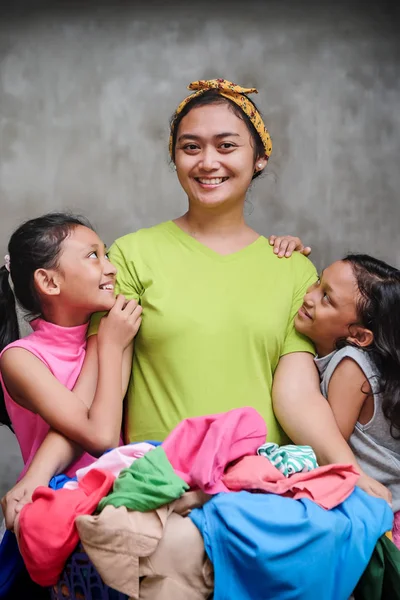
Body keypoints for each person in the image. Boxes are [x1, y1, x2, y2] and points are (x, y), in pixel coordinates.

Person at [0, 79, 391, 597]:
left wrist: (345, 467)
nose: (209, 161)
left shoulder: (292, 270)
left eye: (227, 145)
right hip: (156, 479)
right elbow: (97, 392)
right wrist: (36, 476)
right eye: (191, 147)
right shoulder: (133, 257)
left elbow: (294, 393)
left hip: (258, 485)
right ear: (176, 158)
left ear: (258, 160)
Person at [0, 213, 142, 493]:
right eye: (93, 256)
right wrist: (110, 347)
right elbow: (102, 438)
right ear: (49, 282)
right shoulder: (21, 358)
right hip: (51, 502)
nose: (111, 268)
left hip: (118, 499)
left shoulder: (115, 328)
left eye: (106, 255)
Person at [294, 253, 400, 544]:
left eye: (327, 298)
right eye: (318, 282)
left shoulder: (352, 365)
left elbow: (324, 445)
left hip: (384, 517)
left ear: (359, 336)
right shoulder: (341, 359)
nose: (308, 296)